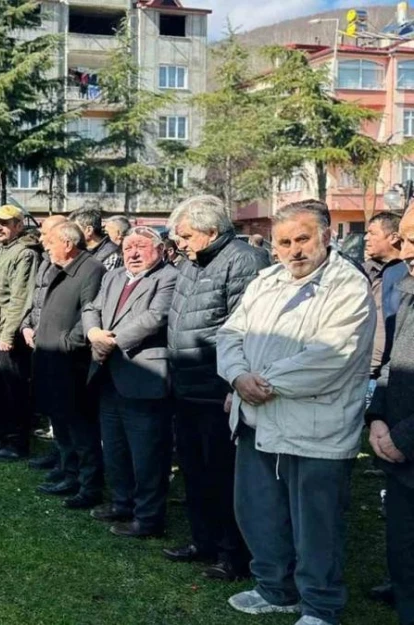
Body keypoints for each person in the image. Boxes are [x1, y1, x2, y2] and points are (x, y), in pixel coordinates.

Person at [218, 199, 374, 625]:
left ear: (325, 235)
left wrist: (259, 383)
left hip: (313, 427)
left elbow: (329, 356)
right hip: (256, 418)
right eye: (283, 242)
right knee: (259, 512)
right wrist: (235, 375)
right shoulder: (267, 281)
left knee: (316, 526)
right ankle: (275, 588)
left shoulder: (348, 286)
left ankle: (321, 607)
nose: (293, 250)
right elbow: (231, 333)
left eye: (302, 239)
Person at [164, 195, 268, 581]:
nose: (181, 244)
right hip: (187, 385)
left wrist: (233, 386)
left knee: (223, 476)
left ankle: (232, 553)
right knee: (194, 471)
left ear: (211, 231)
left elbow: (246, 328)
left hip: (218, 389)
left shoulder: (243, 260)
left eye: (187, 236)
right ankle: (202, 540)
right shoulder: (194, 260)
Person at [83, 226, 178, 537]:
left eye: (141, 247)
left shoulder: (169, 278)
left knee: (147, 454)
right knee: (114, 447)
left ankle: (148, 518)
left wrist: (111, 341)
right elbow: (91, 307)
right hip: (108, 374)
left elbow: (155, 317)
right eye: (127, 248)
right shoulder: (113, 276)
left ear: (160, 250)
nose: (133, 254)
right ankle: (121, 503)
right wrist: (93, 334)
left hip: (142, 377)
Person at [29, 222, 106, 506]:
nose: (45, 246)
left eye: (50, 241)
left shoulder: (91, 269)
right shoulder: (59, 268)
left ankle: (88, 486)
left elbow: (91, 311)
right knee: (60, 420)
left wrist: (68, 342)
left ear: (68, 244)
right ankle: (67, 470)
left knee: (80, 427)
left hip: (72, 363)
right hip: (52, 359)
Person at [366, 208, 414, 625]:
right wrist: (377, 417)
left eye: (413, 240)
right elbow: (391, 366)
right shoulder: (409, 286)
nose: (406, 250)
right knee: (401, 546)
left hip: (407, 442)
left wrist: (405, 436)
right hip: (398, 451)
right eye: (404, 238)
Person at [0, 205, 40, 450]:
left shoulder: (24, 253)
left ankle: (17, 442)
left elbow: (20, 298)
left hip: (6, 335)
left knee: (14, 391)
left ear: (18, 225)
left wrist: (8, 333)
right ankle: (1, 436)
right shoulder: (3, 251)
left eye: (5, 223)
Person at [22, 215, 70, 470]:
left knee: (64, 408)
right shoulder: (46, 261)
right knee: (51, 404)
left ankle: (65, 460)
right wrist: (26, 325)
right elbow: (36, 298)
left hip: (56, 342)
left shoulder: (70, 265)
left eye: (46, 235)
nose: (41, 240)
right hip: (38, 338)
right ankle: (57, 453)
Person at [364, 212, 406, 380]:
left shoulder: (405, 275)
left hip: (392, 374)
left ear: (394, 237)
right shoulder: (364, 272)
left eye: (372, 233)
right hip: (362, 373)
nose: (366, 238)